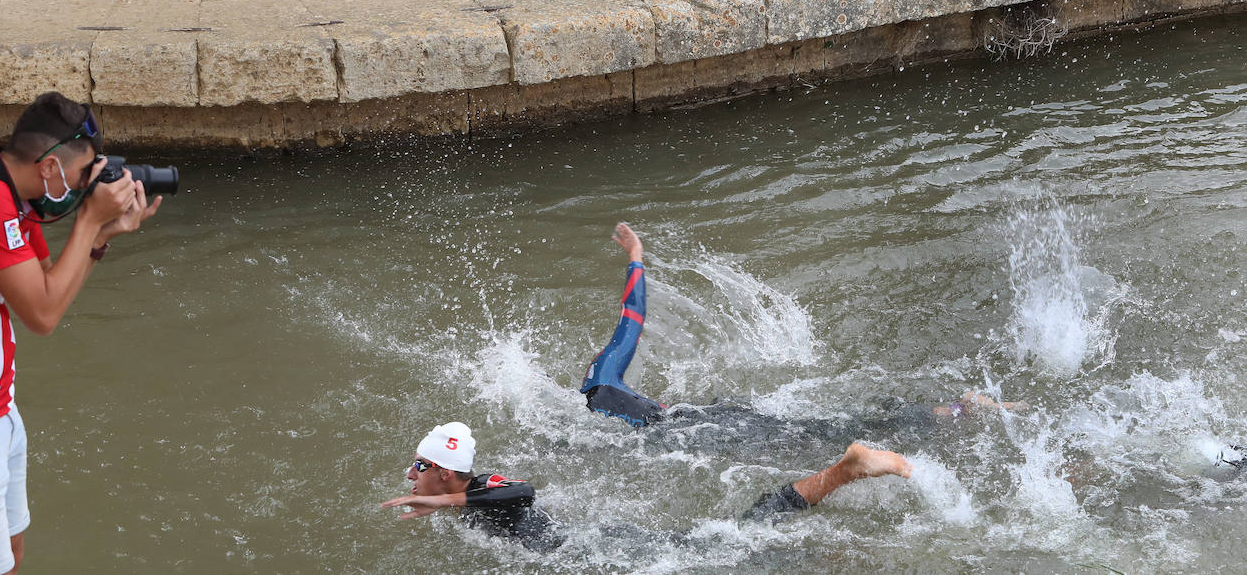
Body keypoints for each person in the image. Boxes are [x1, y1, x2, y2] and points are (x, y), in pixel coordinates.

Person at [583, 223, 1023, 516]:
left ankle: (949, 414)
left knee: (810, 443)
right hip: (715, 418)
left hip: (704, 436)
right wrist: (635, 255)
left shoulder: (592, 402)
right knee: (821, 425)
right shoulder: (604, 378)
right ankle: (955, 410)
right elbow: (632, 317)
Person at [0, 93, 161, 574]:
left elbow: (49, 289)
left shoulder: (7, 189)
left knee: (11, 554)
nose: (86, 186)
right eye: (83, 176)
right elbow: (42, 316)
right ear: (49, 169)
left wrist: (99, 237)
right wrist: (88, 219)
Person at [379, 422, 560, 549]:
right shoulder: (459, 501)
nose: (409, 474)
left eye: (419, 465)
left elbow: (525, 492)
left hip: (564, 551)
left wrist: (445, 500)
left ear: (445, 474)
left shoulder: (482, 485)